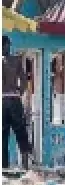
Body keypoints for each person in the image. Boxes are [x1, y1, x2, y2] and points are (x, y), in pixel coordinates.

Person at [2, 36, 32, 170]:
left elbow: (24, 81)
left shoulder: (15, 60)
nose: (4, 48)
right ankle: (24, 167)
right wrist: (19, 91)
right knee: (20, 132)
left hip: (4, 100)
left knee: (4, 135)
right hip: (13, 100)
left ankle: (5, 168)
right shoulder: (16, 60)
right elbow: (24, 81)